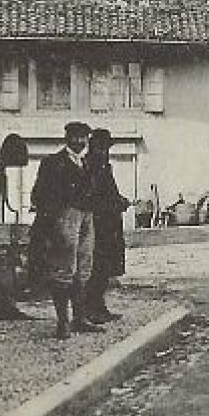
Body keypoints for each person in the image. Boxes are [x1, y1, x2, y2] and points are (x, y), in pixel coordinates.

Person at [30, 121, 102, 338]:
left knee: (83, 267)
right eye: (76, 137)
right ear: (67, 138)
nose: (80, 142)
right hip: (65, 216)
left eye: (84, 138)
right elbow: (40, 194)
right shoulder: (53, 163)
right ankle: (63, 322)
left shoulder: (89, 163)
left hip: (86, 217)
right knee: (64, 269)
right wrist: (52, 222)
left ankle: (79, 318)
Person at [81, 129, 130, 324]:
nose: (105, 151)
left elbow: (111, 193)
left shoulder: (105, 167)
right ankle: (89, 309)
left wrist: (120, 200)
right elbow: (92, 198)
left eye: (106, 148)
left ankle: (99, 306)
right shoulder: (88, 167)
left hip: (109, 226)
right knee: (94, 269)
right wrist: (115, 204)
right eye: (101, 147)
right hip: (96, 226)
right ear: (94, 147)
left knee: (105, 269)